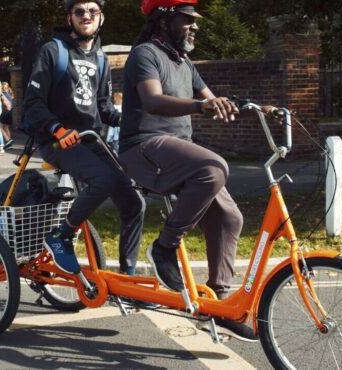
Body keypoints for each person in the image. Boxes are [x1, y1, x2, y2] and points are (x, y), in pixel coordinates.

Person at [119, 0, 266, 341]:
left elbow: (214, 103)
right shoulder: (145, 54)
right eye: (188, 20)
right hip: (143, 147)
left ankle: (217, 303)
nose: (195, 26)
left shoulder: (184, 62)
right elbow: (154, 101)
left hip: (176, 154)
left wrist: (258, 109)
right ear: (164, 20)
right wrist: (202, 105)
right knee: (214, 167)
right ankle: (165, 247)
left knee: (230, 218)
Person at [23, 0, 146, 278]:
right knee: (104, 179)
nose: (86, 16)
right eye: (79, 11)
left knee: (134, 202)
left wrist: (127, 121)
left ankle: (128, 277)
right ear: (70, 18)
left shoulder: (101, 58)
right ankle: (61, 236)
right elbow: (32, 103)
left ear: (101, 18)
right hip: (59, 141)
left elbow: (103, 106)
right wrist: (57, 128)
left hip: (92, 141)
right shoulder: (53, 52)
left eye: (92, 11)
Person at [0, 82, 14, 149]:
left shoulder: (2, 94)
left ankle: (8, 140)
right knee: (6, 127)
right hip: (10, 113)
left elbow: (5, 102)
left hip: (5, 112)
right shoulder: (10, 94)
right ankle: (9, 144)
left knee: (0, 127)